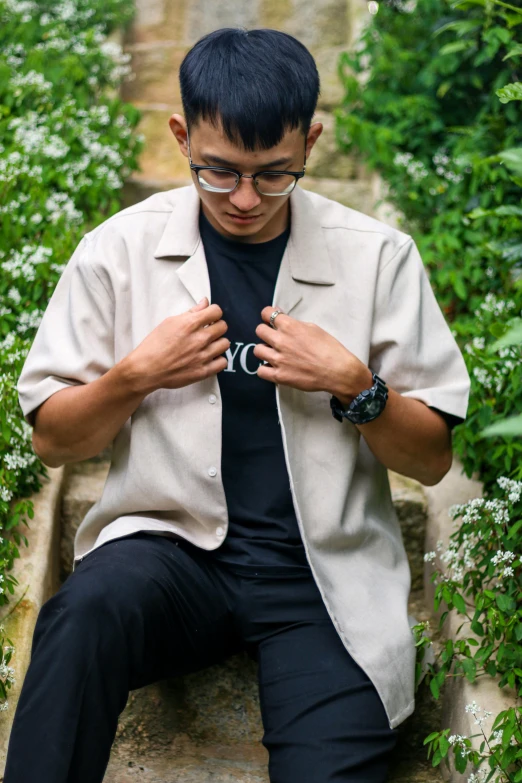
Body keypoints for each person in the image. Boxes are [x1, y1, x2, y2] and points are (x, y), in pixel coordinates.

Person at [5, 27, 470, 783]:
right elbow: (54, 440)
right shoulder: (117, 250)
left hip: (319, 577)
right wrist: (134, 377)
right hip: (169, 552)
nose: (245, 199)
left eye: (274, 174)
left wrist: (358, 388)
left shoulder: (379, 257)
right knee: (81, 616)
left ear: (312, 141)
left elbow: (432, 456)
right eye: (217, 173)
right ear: (181, 134)